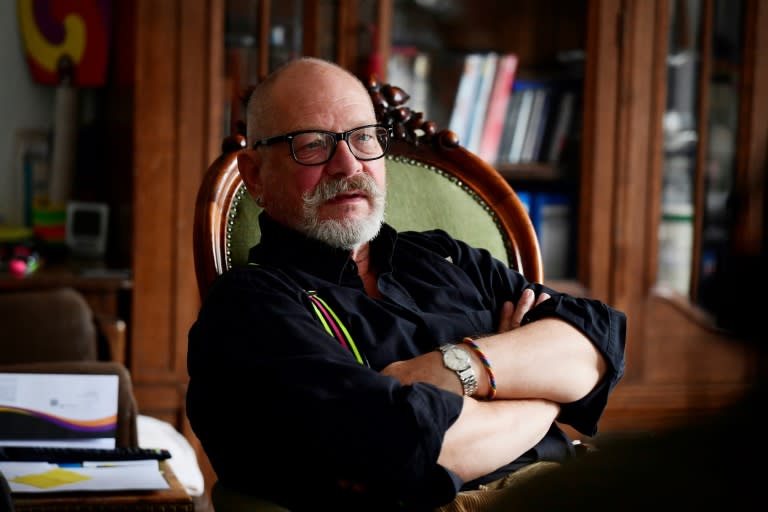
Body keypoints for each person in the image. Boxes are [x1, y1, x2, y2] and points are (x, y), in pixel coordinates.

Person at [186, 56, 627, 512]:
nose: (347, 164)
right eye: (313, 145)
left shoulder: (444, 256)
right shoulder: (247, 309)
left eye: (363, 138)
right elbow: (415, 449)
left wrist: (458, 368)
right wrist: (547, 393)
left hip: (574, 484)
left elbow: (598, 341)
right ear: (255, 174)